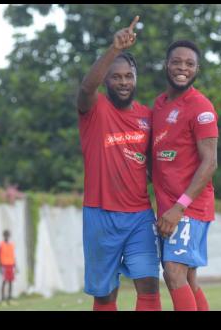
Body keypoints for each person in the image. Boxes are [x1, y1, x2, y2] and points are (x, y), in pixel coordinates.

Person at [76, 16, 161, 311]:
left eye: (129, 76)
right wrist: (113, 49)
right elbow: (87, 88)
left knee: (149, 285)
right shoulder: (95, 109)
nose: (123, 82)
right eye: (116, 76)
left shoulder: (147, 116)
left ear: (136, 78)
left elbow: (156, 165)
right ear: (107, 80)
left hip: (139, 216)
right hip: (99, 215)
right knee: (105, 295)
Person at [152, 40, 218, 311]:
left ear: (197, 69)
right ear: (166, 65)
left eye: (189, 64)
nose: (182, 68)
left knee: (174, 272)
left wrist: (180, 207)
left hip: (188, 207)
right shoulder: (159, 104)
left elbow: (210, 162)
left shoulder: (201, 106)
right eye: (177, 62)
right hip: (168, 207)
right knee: (186, 277)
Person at [0, 229, 17, 305]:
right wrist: (0, 267)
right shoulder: (1, 245)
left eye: (8, 235)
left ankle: (10, 299)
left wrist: (15, 266)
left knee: (11, 282)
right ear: (3, 236)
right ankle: (3, 299)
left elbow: (13, 256)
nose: (7, 237)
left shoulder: (11, 245)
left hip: (11, 265)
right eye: (6, 235)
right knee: (4, 282)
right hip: (4, 265)